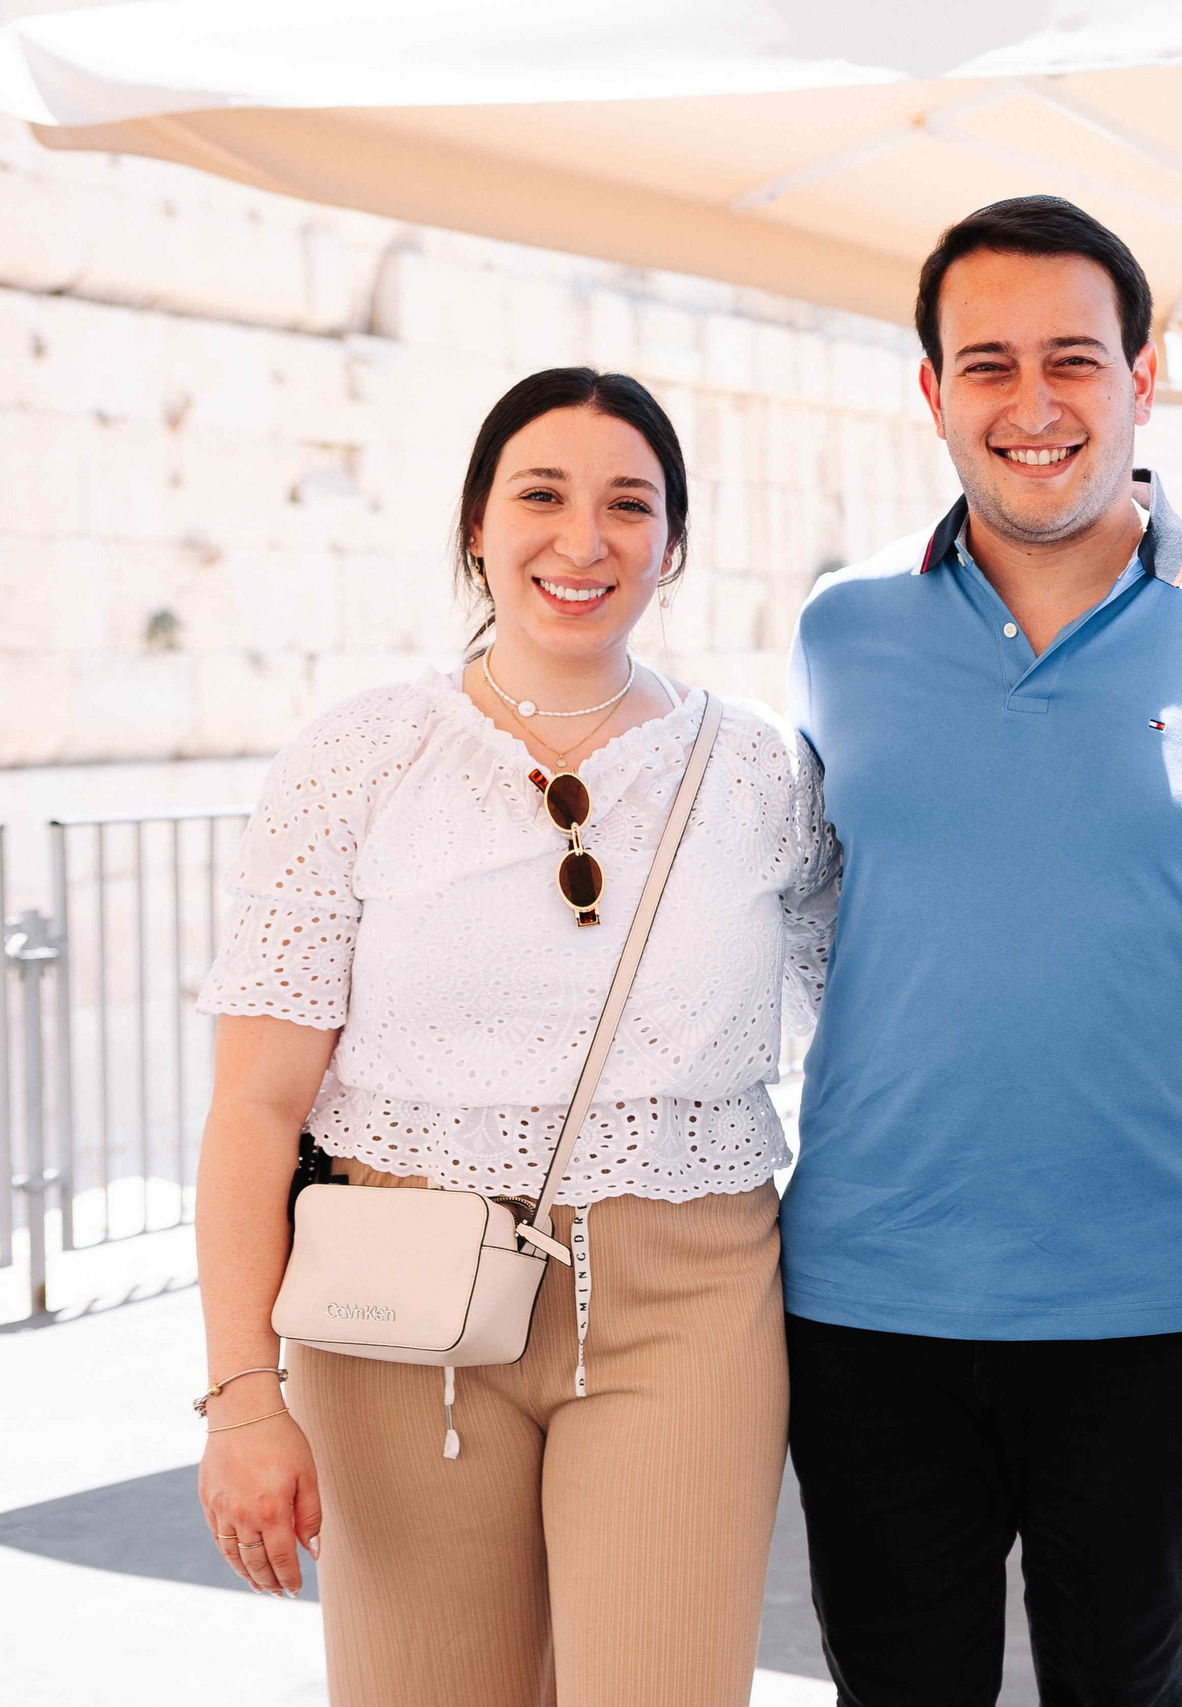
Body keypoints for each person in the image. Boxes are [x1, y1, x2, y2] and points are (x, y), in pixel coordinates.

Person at [190, 367, 839, 1706]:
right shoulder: (356, 760)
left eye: (629, 504)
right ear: (477, 525)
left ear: (675, 544)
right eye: (540, 495)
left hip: (690, 1299)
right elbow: (256, 1105)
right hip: (396, 1304)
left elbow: (875, 1019)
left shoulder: (766, 771)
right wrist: (242, 1395)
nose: (582, 540)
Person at [783, 196, 1182, 1705]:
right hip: (870, 1295)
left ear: (1145, 375)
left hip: (1154, 1302)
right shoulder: (842, 630)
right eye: (988, 364)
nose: (1032, 405)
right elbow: (838, 909)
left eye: (1073, 359)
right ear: (933, 392)